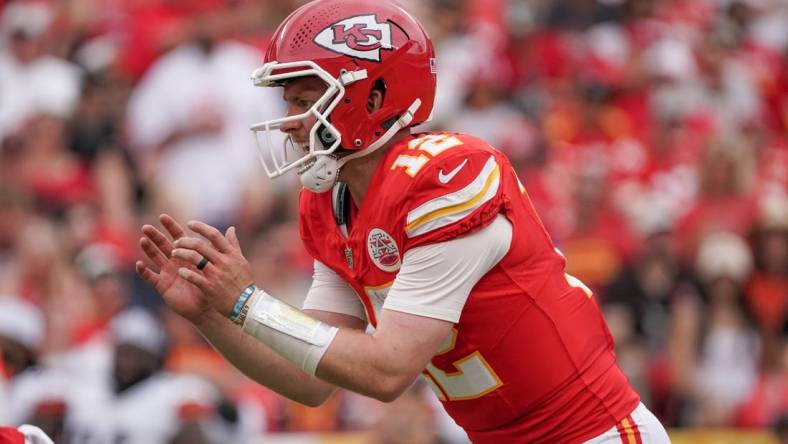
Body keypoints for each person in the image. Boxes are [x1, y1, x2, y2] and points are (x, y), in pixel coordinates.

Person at [136, 1, 671, 442]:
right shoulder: (330, 200)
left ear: (373, 95)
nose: (293, 122)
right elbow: (310, 379)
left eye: (307, 100)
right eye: (289, 101)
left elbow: (388, 369)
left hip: (591, 433)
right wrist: (213, 315)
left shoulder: (449, 177)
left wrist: (247, 301)